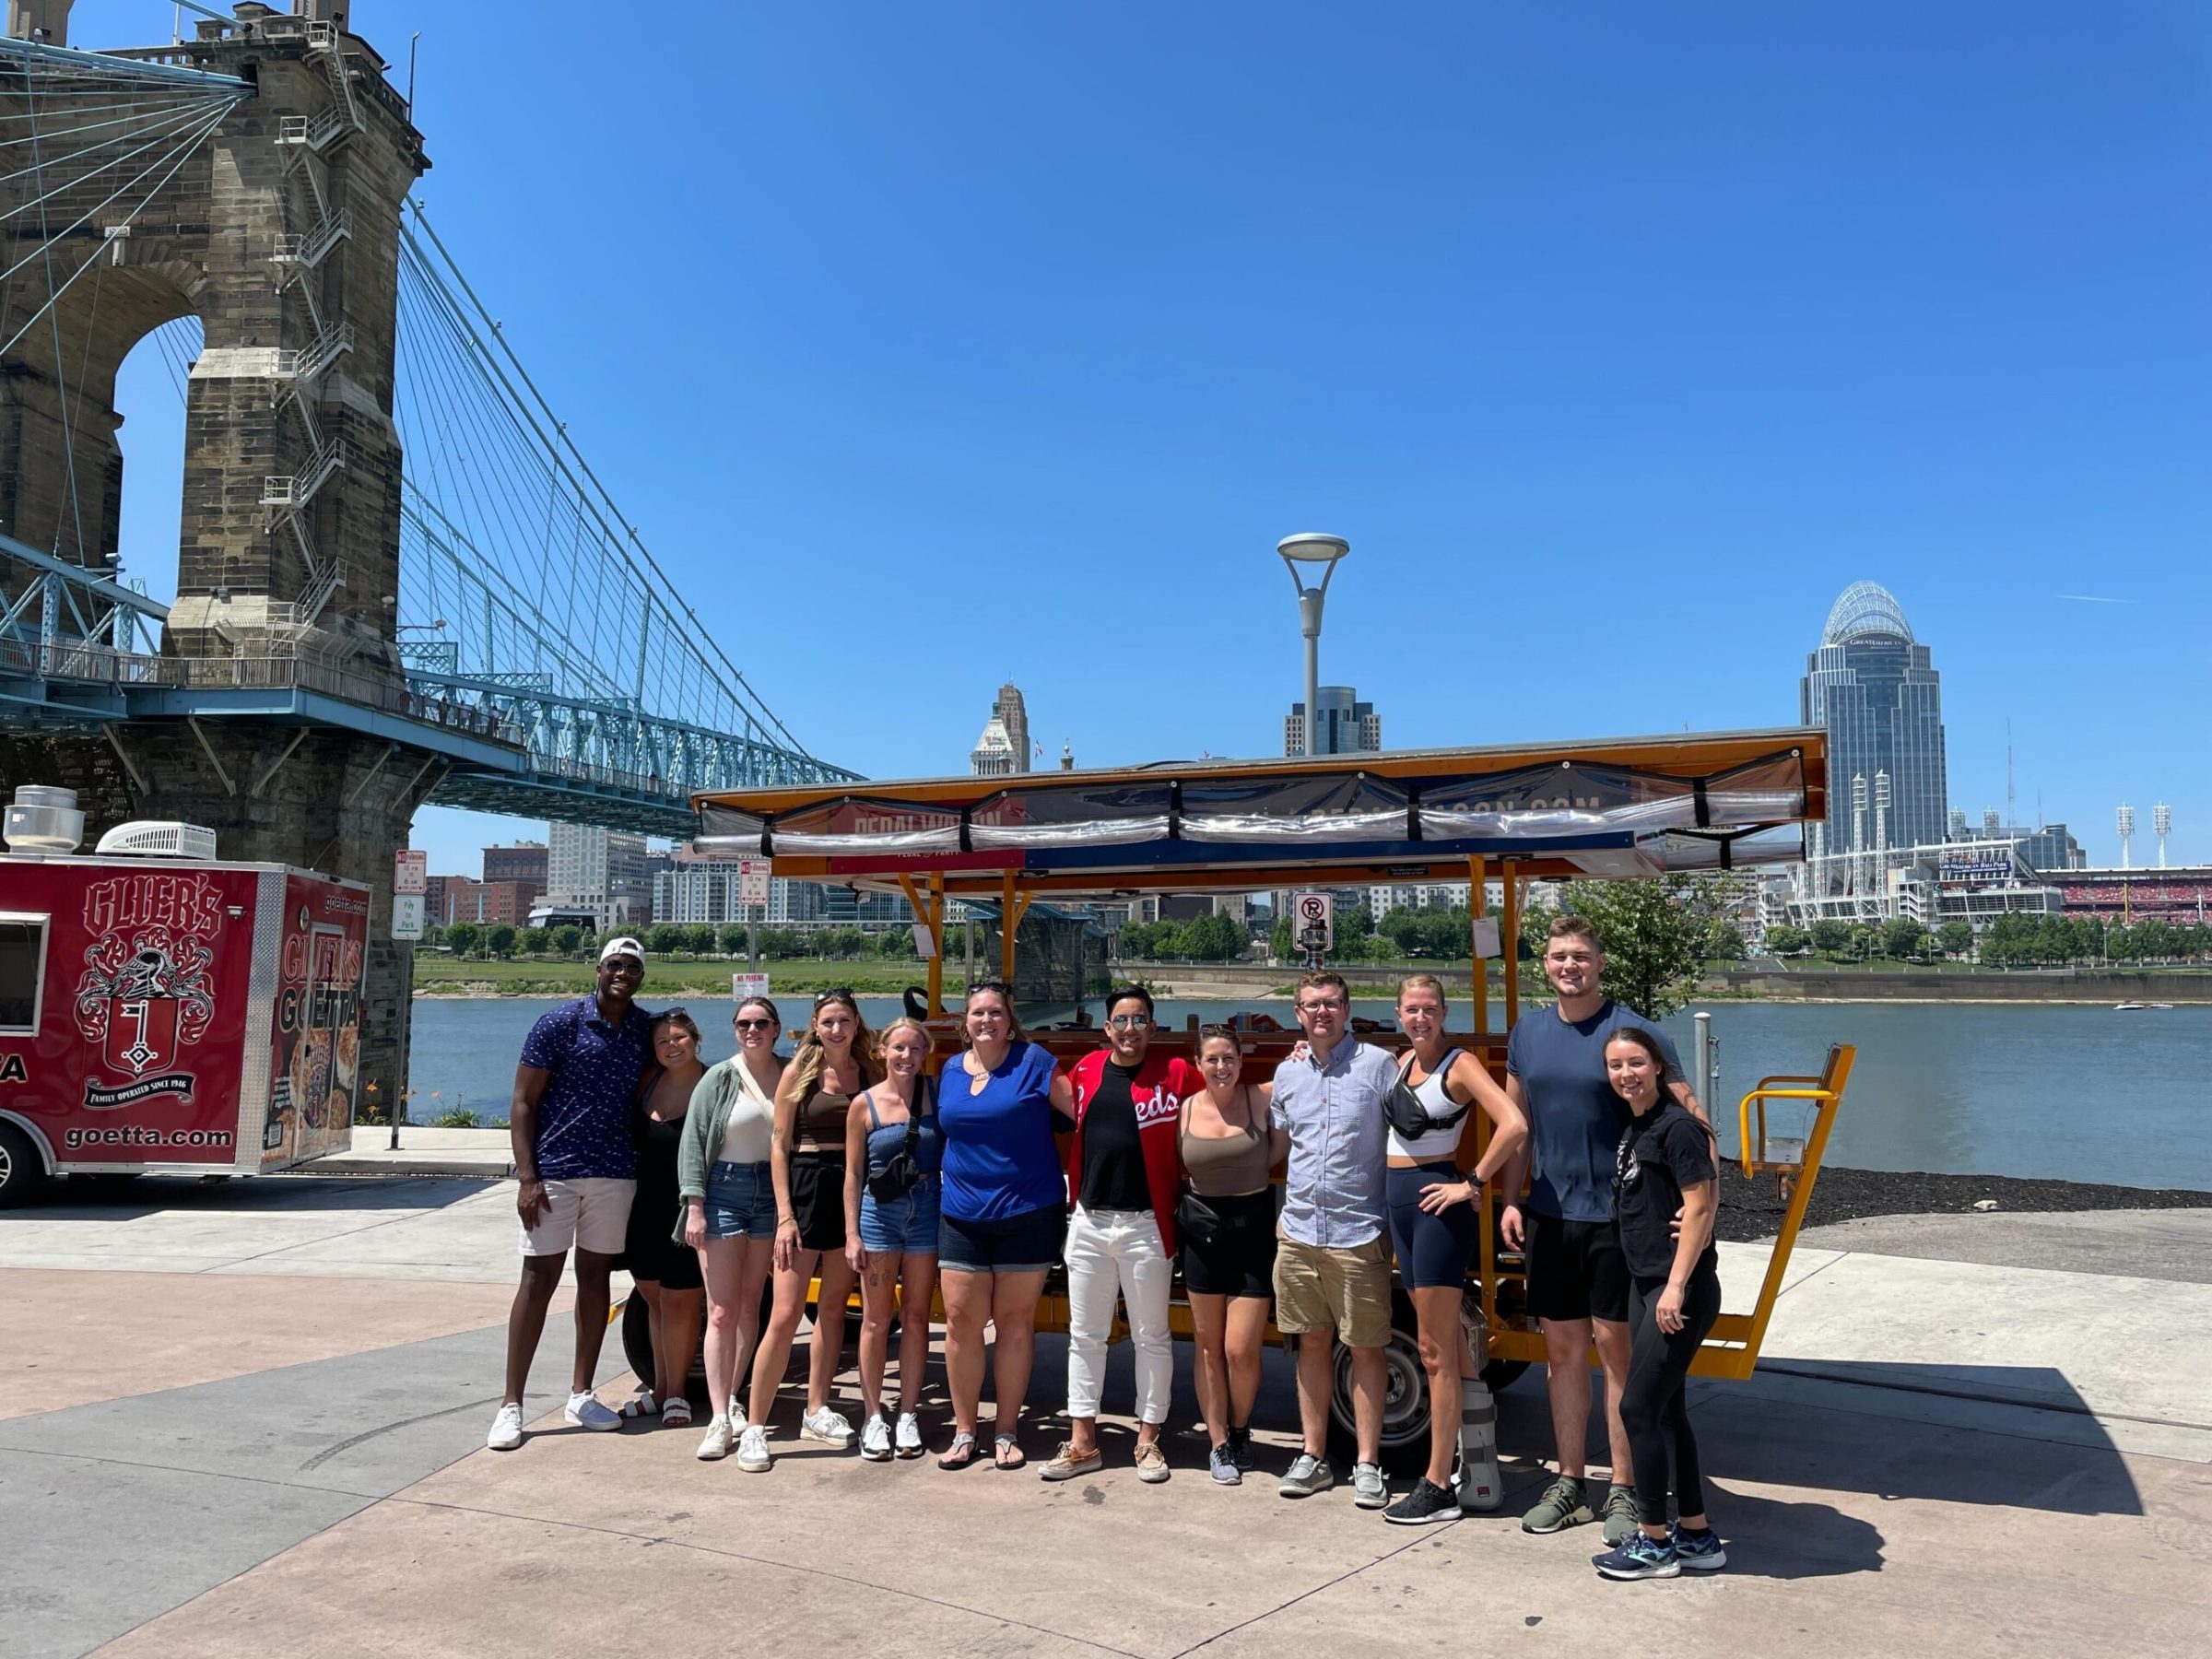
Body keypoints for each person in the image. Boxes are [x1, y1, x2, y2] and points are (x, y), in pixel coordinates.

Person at [1499, 914, 1703, 1544]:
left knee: (1618, 1357)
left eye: (1581, 956)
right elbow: (1517, 1125)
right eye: (1559, 956)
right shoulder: (1527, 1033)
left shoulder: (1634, 1031)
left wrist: (1702, 1203)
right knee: (1562, 1356)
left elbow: (1693, 1118)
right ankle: (1569, 1484)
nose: (1570, 966)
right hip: (1549, 1217)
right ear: (1545, 964)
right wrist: (1510, 1200)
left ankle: (1623, 1486)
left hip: (1619, 1222)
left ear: (1600, 963)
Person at [488, 936, 656, 1451]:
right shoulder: (559, 1023)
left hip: (614, 1173)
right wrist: (527, 1177)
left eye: (632, 967)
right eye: (615, 965)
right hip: (555, 1172)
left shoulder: (646, 1029)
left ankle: (581, 1394)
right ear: (598, 969)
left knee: (596, 1280)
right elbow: (523, 1102)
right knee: (537, 1281)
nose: (622, 974)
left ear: (641, 977)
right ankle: (511, 1405)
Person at [1377, 975, 1529, 1524]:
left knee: (1434, 1350)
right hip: (1400, 1206)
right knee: (1453, 1351)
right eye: (1411, 1009)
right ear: (1399, 1013)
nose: (1420, 1018)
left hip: (1436, 1209)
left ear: (1444, 1013)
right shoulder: (1400, 1063)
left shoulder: (1459, 1065)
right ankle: (1480, 1474)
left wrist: (1473, 1182)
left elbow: (1514, 1124)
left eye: (1430, 1009)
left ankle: (1437, 1483)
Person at [1040, 984, 1201, 1486]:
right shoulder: (1087, 1069)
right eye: (1122, 1021)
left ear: (1153, 1027)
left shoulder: (1177, 1072)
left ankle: (1148, 1439)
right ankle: (1082, 1441)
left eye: (1140, 1020)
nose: (1131, 1029)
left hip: (1147, 1224)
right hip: (1089, 1221)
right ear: (1107, 1028)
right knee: (1084, 1336)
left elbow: (1225, 1090)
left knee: (1151, 1336)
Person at [1590, 1026, 1726, 1580]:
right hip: (1646, 1283)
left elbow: (1701, 1204)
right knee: (1667, 1412)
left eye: (1636, 1064)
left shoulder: (1678, 1128)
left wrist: (1675, 1286)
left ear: (1658, 1068)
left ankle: (1653, 1543)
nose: (1626, 1074)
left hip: (1677, 1290)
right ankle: (1696, 1535)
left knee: (1637, 1409)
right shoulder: (1637, 1127)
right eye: (1616, 1066)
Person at [1270, 969, 1400, 1510]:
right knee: (1311, 1343)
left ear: (1347, 1009)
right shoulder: (1287, 1072)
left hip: (1358, 1231)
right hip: (1299, 1232)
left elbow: (1410, 1129)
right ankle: (1313, 1455)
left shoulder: (1380, 1066)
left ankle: (1368, 1463)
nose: (1321, 1012)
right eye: (1311, 1005)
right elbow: (1280, 1143)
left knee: (1367, 1348)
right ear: (1298, 1014)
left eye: (1330, 1003)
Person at [935, 979, 1074, 1471]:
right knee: (961, 1322)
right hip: (961, 1214)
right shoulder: (951, 1069)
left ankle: (1007, 1430)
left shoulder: (1036, 1062)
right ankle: (965, 1430)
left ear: (1010, 1020)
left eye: (996, 1012)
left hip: (1027, 1211)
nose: (987, 1020)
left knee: (1014, 1323)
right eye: (978, 1013)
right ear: (965, 1022)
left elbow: (1084, 1110)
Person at [740, 988, 876, 1471]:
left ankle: (816, 1409)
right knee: (784, 1314)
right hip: (805, 1186)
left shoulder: (870, 1071)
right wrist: (784, 1216)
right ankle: (755, 1426)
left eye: (844, 1020)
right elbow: (779, 1146)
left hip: (852, 1189)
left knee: (833, 1310)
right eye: (827, 1021)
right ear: (815, 1026)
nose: (836, 1029)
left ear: (856, 1024)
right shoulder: (800, 1070)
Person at [678, 996, 785, 1461]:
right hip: (723, 1190)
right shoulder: (719, 1077)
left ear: (776, 1028)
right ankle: (719, 1417)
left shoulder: (790, 1074)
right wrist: (694, 1206)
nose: (752, 1030)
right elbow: (693, 1142)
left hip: (771, 1192)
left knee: (750, 1302)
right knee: (721, 1310)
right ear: (735, 1029)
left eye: (761, 1022)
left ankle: (735, 1395)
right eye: (744, 1023)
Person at [1179, 1025, 1285, 1487]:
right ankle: (1219, 1441)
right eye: (1212, 1059)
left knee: (1240, 1349)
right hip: (1202, 1235)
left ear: (1241, 1061)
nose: (1221, 1067)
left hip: (1253, 1232)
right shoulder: (1184, 1108)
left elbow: (1302, 1072)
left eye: (1229, 1058)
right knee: (1208, 1347)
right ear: (1198, 1064)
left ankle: (1241, 1427)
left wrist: (1301, 1049)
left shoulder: (1259, 1099)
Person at [843, 1015, 943, 1462]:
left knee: (918, 1317)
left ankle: (907, 1412)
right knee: (876, 1321)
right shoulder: (863, 1105)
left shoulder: (936, 1094)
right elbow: (852, 1175)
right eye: (899, 1048)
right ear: (882, 1051)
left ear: (926, 1054)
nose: (907, 1056)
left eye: (915, 1048)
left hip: (927, 1207)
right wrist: (852, 1233)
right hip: (880, 1213)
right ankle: (873, 1414)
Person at [620, 1008, 709, 1430]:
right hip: (644, 1207)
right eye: (663, 1041)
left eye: (679, 1037)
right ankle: (660, 1390)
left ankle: (676, 1394)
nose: (673, 1046)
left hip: (688, 1208)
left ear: (695, 1038)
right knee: (653, 1298)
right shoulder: (646, 1082)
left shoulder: (713, 1083)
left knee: (680, 1301)